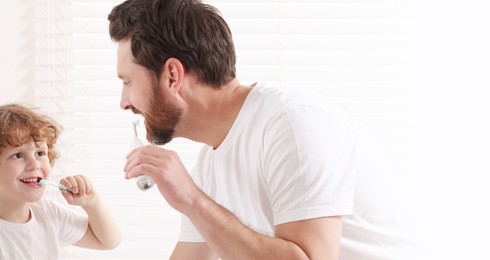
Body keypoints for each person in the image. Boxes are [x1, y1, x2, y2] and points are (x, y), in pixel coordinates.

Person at [109, 0, 413, 259]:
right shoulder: (211, 165)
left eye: (127, 82)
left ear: (173, 76)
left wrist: (191, 199)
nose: (124, 102)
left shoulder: (293, 123)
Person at [0, 103, 121, 259]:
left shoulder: (47, 212)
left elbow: (107, 241)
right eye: (17, 155)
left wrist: (92, 203)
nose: (34, 165)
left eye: (40, 153)